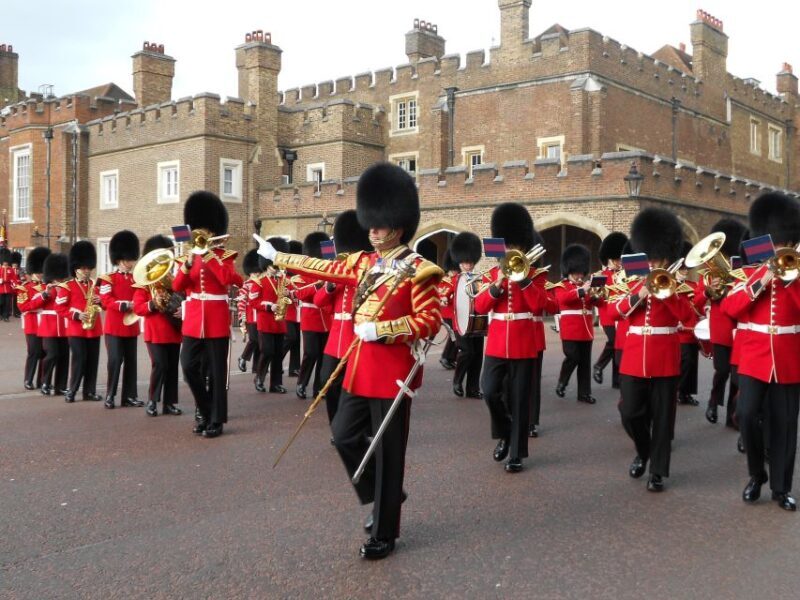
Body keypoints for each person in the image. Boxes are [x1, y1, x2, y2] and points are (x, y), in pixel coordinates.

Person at [256, 162, 442, 560]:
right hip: (359, 369)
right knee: (343, 436)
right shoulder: (361, 264)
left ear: (398, 224)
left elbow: (430, 321)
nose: (371, 231)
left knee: (390, 453)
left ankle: (385, 531)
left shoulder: (421, 271)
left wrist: (385, 329)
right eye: (370, 225)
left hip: (393, 375)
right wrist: (278, 257)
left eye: (378, 225)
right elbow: (322, 266)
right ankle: (385, 493)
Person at [723, 192, 800, 511]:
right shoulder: (749, 273)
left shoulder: (797, 275)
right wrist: (764, 279)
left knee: (785, 424)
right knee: (746, 413)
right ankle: (757, 475)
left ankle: (781, 489)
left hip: (787, 357)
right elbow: (731, 307)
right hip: (754, 358)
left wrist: (789, 280)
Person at [617, 208, 692, 493]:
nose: (655, 264)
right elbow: (615, 312)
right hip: (635, 357)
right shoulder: (632, 282)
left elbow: (688, 317)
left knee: (662, 419)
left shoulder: (677, 286)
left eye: (659, 259)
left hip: (664, 358)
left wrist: (668, 294)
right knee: (630, 413)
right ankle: (644, 451)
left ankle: (658, 472)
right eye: (651, 258)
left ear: (667, 258)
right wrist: (639, 295)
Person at [474, 202, 548, 473]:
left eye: (514, 245)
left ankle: (516, 453)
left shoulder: (536, 275)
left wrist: (523, 279)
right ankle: (504, 432)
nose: (510, 250)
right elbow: (481, 307)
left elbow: (540, 305)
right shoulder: (493, 274)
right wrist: (496, 285)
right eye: (507, 245)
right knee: (490, 391)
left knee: (519, 399)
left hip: (523, 343)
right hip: (496, 342)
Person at [173, 191, 243, 438]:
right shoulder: (187, 257)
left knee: (215, 372)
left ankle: (215, 420)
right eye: (198, 231)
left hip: (215, 319)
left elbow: (229, 280)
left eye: (205, 231)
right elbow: (178, 286)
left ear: (213, 233)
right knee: (189, 366)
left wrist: (210, 255)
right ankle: (204, 408)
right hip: (193, 321)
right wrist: (188, 263)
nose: (200, 235)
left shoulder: (224, 256)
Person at [314, 209, 372, 423]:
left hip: (357, 336)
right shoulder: (338, 268)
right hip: (336, 338)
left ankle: (356, 425)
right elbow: (319, 301)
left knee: (357, 385)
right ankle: (336, 423)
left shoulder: (368, 269)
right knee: (328, 381)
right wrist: (330, 286)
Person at [699, 218, 747, 426]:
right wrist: (710, 290)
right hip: (720, 328)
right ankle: (713, 401)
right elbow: (698, 299)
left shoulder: (742, 267)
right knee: (722, 370)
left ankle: (731, 417)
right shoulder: (711, 271)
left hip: (738, 328)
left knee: (736, 377)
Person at [133, 235, 184, 417]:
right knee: (160, 365)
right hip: (155, 332)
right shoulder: (144, 282)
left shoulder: (173, 279)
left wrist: (182, 311)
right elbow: (138, 308)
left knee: (172, 367)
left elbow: (183, 297)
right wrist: (153, 303)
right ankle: (153, 401)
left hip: (173, 329)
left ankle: (169, 403)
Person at [99, 230, 143, 409]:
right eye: (127, 260)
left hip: (131, 326)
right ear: (118, 259)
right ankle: (110, 394)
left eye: (132, 259)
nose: (131, 263)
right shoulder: (108, 278)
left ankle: (129, 396)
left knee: (131, 362)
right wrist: (123, 305)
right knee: (115, 361)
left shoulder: (137, 279)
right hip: (114, 327)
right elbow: (105, 299)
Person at [57, 241, 103, 403]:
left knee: (92, 361)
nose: (86, 271)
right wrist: (77, 315)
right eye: (83, 268)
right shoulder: (67, 286)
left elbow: (103, 303)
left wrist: (100, 301)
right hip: (76, 329)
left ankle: (89, 392)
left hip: (93, 328)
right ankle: (72, 390)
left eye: (88, 268)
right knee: (79, 359)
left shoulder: (95, 285)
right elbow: (59, 308)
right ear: (75, 269)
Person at [553, 244, 600, 405]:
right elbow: (563, 300)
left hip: (586, 330)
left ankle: (584, 393)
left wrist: (596, 294)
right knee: (572, 357)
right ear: (569, 270)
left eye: (581, 272)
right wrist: (582, 290)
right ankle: (562, 382)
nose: (579, 276)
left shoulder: (584, 287)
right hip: (570, 330)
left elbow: (593, 303)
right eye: (576, 272)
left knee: (585, 363)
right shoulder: (561, 286)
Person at [293, 231, 333, 399]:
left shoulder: (327, 271)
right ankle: (301, 383)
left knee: (324, 355)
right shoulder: (302, 274)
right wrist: (318, 286)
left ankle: (319, 388)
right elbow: (299, 294)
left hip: (326, 318)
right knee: (311, 352)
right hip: (310, 317)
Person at [448, 232, 484, 400]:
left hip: (478, 322)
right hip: (461, 322)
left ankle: (473, 388)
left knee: (477, 356)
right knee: (467, 352)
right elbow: (445, 294)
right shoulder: (453, 280)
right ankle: (457, 381)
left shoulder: (481, 278)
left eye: (470, 262)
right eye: (464, 262)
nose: (467, 265)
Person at [29, 253, 71, 395]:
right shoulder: (43, 289)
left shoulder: (67, 287)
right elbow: (32, 305)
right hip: (48, 328)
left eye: (61, 277)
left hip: (64, 328)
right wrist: (46, 293)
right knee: (52, 355)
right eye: (57, 277)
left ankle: (61, 386)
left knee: (64, 357)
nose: (59, 280)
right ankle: (45, 381)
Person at [254, 237, 290, 394]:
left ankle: (276, 383)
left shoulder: (282, 280)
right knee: (267, 351)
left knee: (277, 355)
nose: (276, 268)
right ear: (267, 265)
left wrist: (289, 295)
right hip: (266, 322)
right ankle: (259, 378)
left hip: (279, 323)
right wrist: (269, 306)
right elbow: (253, 302)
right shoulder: (259, 281)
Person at [593, 232, 628, 388]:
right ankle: (599, 365)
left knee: (619, 344)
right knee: (613, 341)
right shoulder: (601, 275)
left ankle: (616, 379)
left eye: (620, 259)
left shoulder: (625, 275)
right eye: (616, 259)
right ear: (609, 260)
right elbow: (595, 300)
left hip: (622, 314)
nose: (618, 262)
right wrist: (596, 293)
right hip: (607, 315)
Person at [16, 247, 51, 389]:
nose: (40, 274)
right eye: (37, 272)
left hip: (45, 323)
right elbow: (23, 307)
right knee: (33, 352)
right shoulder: (24, 288)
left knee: (44, 352)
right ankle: (28, 380)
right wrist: (42, 297)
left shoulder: (47, 286)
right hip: (32, 325)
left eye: (41, 271)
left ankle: (42, 381)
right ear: (32, 272)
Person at [237, 249, 263, 375]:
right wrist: (242, 319)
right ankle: (243, 357)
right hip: (250, 317)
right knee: (253, 340)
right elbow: (241, 303)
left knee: (260, 343)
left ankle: (256, 367)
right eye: (255, 273)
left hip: (261, 317)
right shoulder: (246, 285)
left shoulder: (262, 284)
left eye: (258, 272)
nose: (257, 274)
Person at [281, 240, 303, 377]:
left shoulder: (298, 276)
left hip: (298, 312)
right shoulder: (284, 277)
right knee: (291, 337)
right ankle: (277, 359)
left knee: (296, 341)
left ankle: (294, 368)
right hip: (288, 312)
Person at [438, 252, 458, 370]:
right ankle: (445, 357)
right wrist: (445, 297)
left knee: (456, 336)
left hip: (456, 312)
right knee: (454, 335)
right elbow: (442, 293)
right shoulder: (446, 280)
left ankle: (451, 358)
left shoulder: (458, 278)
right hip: (448, 312)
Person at [0, 248, 13, 321]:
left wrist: (12, 283)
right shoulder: (0, 269)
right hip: (0, 289)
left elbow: (13, 278)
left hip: (8, 289)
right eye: (4, 262)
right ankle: (1, 314)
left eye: (6, 262)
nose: (5, 263)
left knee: (7, 304)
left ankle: (6, 316)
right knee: (1, 302)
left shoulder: (10, 269)